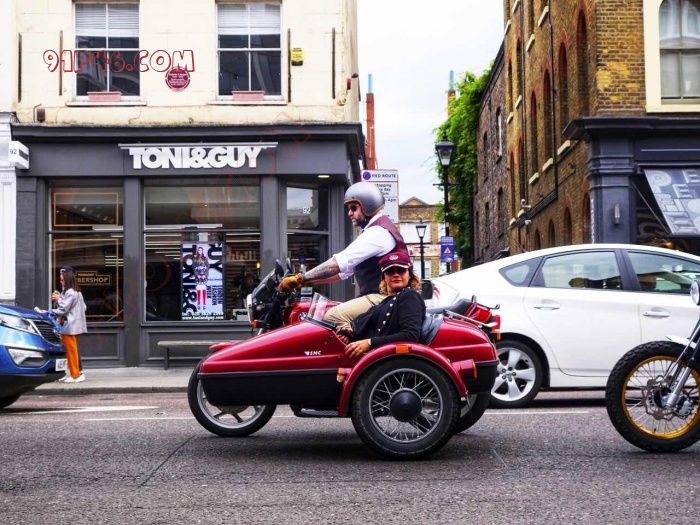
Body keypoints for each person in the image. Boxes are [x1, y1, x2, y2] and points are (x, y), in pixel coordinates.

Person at [279, 181, 409, 326]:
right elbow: (342, 273)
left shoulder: (378, 233)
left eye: (353, 208)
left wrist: (300, 278)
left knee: (331, 316)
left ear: (368, 205)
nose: (349, 213)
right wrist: (305, 282)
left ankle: (356, 340)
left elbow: (337, 264)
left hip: (384, 298)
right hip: (382, 298)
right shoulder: (376, 230)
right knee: (329, 310)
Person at [338, 251, 425, 358]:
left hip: (390, 361)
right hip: (377, 358)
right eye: (390, 271)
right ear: (384, 276)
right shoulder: (387, 301)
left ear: (409, 274)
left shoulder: (409, 295)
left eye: (401, 270)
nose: (396, 274)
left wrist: (369, 343)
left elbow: (410, 335)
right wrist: (349, 336)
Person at [38, 266, 88, 383]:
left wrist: (48, 310)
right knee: (72, 351)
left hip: (69, 326)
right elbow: (84, 307)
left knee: (71, 351)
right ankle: (77, 373)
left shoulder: (70, 292)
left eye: (62, 278)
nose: (61, 280)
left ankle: (75, 375)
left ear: (67, 277)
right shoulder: (75, 291)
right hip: (71, 325)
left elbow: (63, 309)